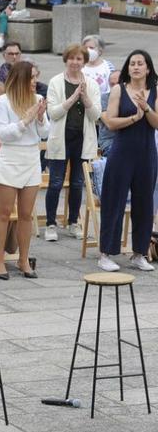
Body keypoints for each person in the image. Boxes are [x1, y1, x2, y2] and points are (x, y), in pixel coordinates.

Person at [97, 50, 158, 272]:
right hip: (122, 152)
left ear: (148, 68)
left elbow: (157, 123)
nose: (135, 67)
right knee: (114, 201)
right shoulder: (118, 90)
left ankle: (139, 253)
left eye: (140, 63)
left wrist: (146, 108)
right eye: (132, 63)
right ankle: (105, 253)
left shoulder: (155, 91)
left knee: (144, 203)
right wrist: (134, 117)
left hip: (146, 152)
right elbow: (111, 122)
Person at [0, 62, 48, 279]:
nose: (35, 82)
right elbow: (4, 134)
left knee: (25, 214)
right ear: (21, 78)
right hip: (10, 156)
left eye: (36, 77)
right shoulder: (2, 102)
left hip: (31, 157)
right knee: (4, 213)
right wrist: (26, 121)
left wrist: (40, 117)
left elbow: (44, 133)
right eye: (31, 77)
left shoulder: (38, 99)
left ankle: (24, 260)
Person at [44, 44, 100, 243]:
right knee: (56, 182)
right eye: (72, 58)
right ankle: (50, 223)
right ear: (66, 59)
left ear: (84, 62)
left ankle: (73, 221)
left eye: (79, 59)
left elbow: (96, 116)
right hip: (61, 137)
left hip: (82, 138)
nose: (75, 62)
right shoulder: (56, 82)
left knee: (77, 183)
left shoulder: (91, 84)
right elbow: (53, 113)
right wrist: (74, 96)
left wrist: (85, 97)